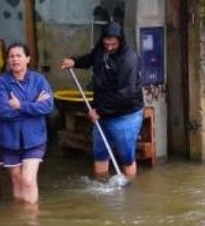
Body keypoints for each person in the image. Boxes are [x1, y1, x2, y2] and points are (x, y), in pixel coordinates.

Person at [60, 21, 144, 179]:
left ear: (120, 41)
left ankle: (131, 190)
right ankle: (101, 184)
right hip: (102, 112)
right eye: (106, 43)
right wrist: (75, 62)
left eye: (113, 44)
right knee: (99, 153)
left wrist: (99, 111)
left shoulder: (128, 59)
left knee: (126, 157)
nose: (109, 47)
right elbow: (91, 58)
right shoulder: (101, 50)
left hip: (125, 114)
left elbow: (125, 93)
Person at [0, 42, 54, 203]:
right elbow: (4, 112)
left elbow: (48, 106)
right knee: (17, 181)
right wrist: (34, 104)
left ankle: (32, 222)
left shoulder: (39, 80)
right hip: (9, 139)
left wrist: (21, 105)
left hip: (34, 138)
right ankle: (21, 219)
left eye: (19, 56)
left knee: (28, 180)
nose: (15, 59)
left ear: (28, 59)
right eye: (11, 56)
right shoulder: (0, 83)